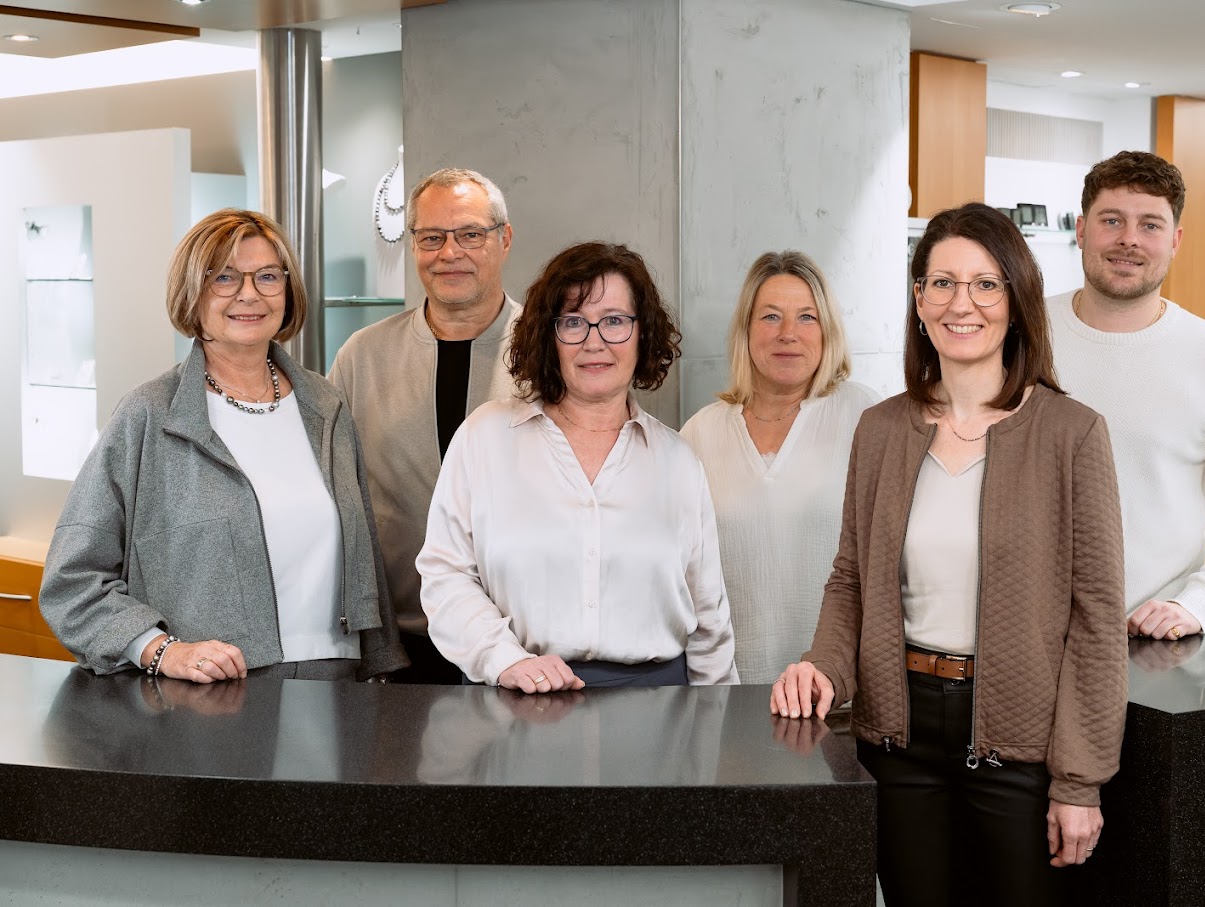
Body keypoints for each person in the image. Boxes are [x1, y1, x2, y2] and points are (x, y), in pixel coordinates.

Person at [772, 203, 1128, 906]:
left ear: (1016, 300)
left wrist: (1080, 779)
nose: (960, 303)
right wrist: (822, 665)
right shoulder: (881, 429)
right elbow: (851, 580)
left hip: (1019, 745)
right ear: (918, 299)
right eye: (941, 283)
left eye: (984, 284)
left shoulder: (1072, 434)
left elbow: (1096, 620)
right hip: (898, 737)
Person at [40, 209, 406, 683]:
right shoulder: (147, 416)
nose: (249, 294)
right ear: (192, 294)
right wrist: (161, 650)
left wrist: (383, 664)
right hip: (211, 695)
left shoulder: (326, 404)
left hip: (336, 679)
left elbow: (365, 557)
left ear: (288, 291)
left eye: (268, 276)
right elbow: (71, 581)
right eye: (225, 277)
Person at [417, 241, 739, 691]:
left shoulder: (677, 461)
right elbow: (445, 575)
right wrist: (504, 659)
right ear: (547, 336)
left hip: (660, 714)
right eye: (573, 322)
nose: (594, 342)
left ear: (642, 332)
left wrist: (716, 728)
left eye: (614, 321)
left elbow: (710, 621)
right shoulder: (484, 438)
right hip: (518, 702)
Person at [1048, 150, 1205, 640]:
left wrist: (1196, 602)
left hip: (1143, 644)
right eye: (1111, 220)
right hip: (1016, 637)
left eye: (1150, 225)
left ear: (1175, 241)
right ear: (1080, 229)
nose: (1129, 239)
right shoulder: (1021, 334)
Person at [329, 167, 520, 684]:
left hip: (524, 644)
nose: (448, 253)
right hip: (401, 646)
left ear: (504, 239)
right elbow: (333, 497)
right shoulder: (361, 358)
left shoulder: (556, 350)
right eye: (431, 237)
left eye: (470, 235)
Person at [680, 251, 877, 683]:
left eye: (807, 317)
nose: (788, 334)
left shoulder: (867, 418)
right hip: (728, 697)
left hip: (840, 697)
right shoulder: (698, 435)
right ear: (745, 330)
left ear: (828, 330)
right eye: (770, 317)